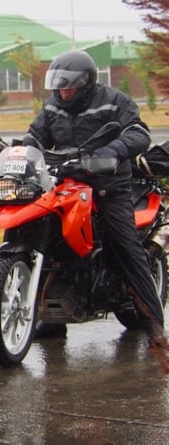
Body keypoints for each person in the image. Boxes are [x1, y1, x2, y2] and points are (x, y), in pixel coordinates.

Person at [21, 50, 166, 345]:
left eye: (69, 86)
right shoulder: (53, 107)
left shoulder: (114, 102)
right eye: (59, 86)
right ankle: (51, 321)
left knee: (126, 248)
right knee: (46, 237)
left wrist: (110, 152)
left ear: (87, 83)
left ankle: (155, 324)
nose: (63, 92)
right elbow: (35, 136)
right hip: (67, 183)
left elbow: (139, 133)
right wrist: (23, 151)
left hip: (108, 187)